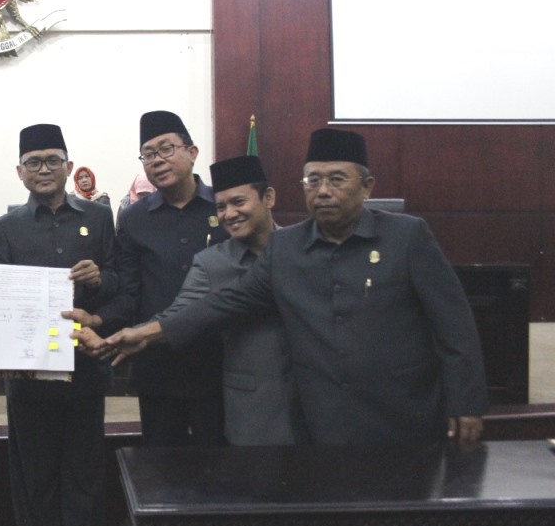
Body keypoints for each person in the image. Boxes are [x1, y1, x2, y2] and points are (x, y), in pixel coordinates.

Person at [101, 128, 489, 445]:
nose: (323, 191)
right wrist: (145, 334)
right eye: (313, 180)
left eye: (336, 179)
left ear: (367, 186)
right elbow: (224, 303)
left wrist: (466, 402)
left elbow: (454, 325)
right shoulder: (287, 248)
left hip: (404, 415)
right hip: (322, 423)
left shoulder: (407, 237)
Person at [0, 123, 117, 526]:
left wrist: (101, 279)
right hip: (28, 379)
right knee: (35, 485)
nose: (43, 169)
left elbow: (121, 280)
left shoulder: (99, 217)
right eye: (33, 162)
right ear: (20, 172)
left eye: (52, 160)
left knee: (84, 481)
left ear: (68, 166)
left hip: (84, 371)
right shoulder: (5, 227)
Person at [66, 110, 229, 447]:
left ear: (192, 152)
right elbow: (129, 293)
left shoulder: (225, 207)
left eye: (166, 149)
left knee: (222, 465)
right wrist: (98, 321)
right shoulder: (133, 218)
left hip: (220, 363)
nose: (157, 160)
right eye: (148, 154)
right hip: (158, 367)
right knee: (160, 466)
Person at [163, 155, 302, 445]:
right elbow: (177, 316)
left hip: (316, 406)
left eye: (239, 202)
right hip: (254, 412)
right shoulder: (211, 263)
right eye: (221, 207)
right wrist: (118, 335)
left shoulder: (303, 248)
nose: (229, 214)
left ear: (268, 197)